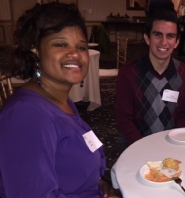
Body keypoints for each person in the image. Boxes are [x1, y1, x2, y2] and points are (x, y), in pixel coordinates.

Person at [0, 2, 116, 198]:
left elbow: (67, 164)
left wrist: (100, 183)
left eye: (81, 46)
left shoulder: (61, 100)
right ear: (35, 49)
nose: (75, 53)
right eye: (61, 44)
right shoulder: (27, 115)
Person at [115, 9, 185, 145]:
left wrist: (173, 143)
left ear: (176, 42)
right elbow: (124, 119)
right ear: (147, 38)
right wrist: (143, 146)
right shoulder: (128, 73)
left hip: (172, 144)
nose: (164, 42)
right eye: (158, 35)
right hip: (136, 144)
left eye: (170, 36)